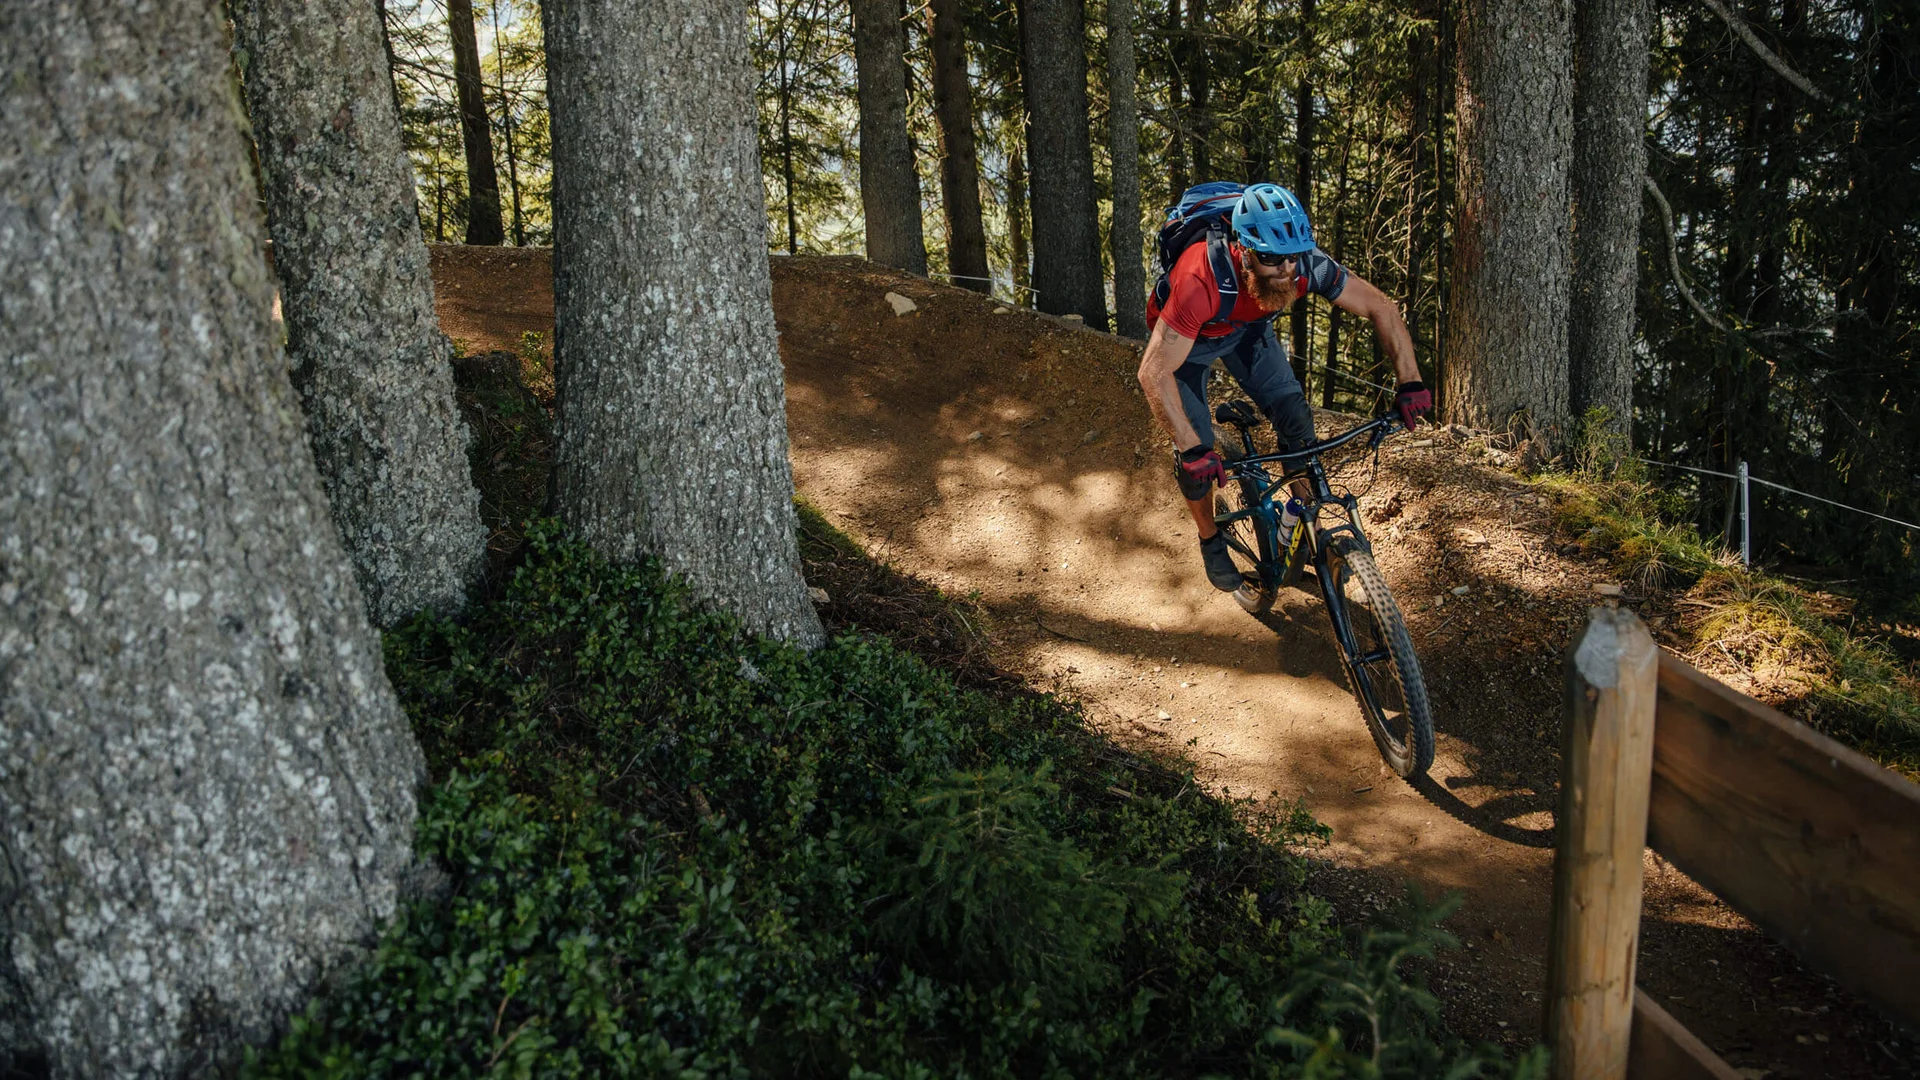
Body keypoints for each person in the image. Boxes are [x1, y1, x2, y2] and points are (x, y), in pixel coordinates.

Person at [1136, 182, 1432, 591]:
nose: (1286, 270)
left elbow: (1380, 306)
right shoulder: (1200, 276)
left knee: (1296, 419)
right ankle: (1210, 539)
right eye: (1272, 258)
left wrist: (1410, 382)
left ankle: (1303, 524)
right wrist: (1192, 448)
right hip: (1190, 341)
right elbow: (1153, 372)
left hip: (1248, 329)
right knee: (1196, 461)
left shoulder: (1304, 264)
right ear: (1242, 248)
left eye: (1293, 258)